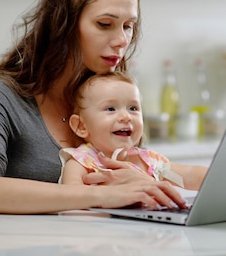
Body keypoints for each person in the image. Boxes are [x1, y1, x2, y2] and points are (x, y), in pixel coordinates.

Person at [0, 0, 187, 214]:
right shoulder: (1, 95)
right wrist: (99, 195)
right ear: (64, 24)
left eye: (128, 26)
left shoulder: (109, 94)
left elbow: (153, 172)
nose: (122, 40)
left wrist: (141, 182)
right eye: (105, 24)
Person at [60, 72, 207, 191]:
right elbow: (70, 197)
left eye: (133, 108)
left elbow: (188, 176)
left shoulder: (149, 162)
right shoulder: (81, 162)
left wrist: (223, 177)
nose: (126, 117)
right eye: (110, 109)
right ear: (81, 126)